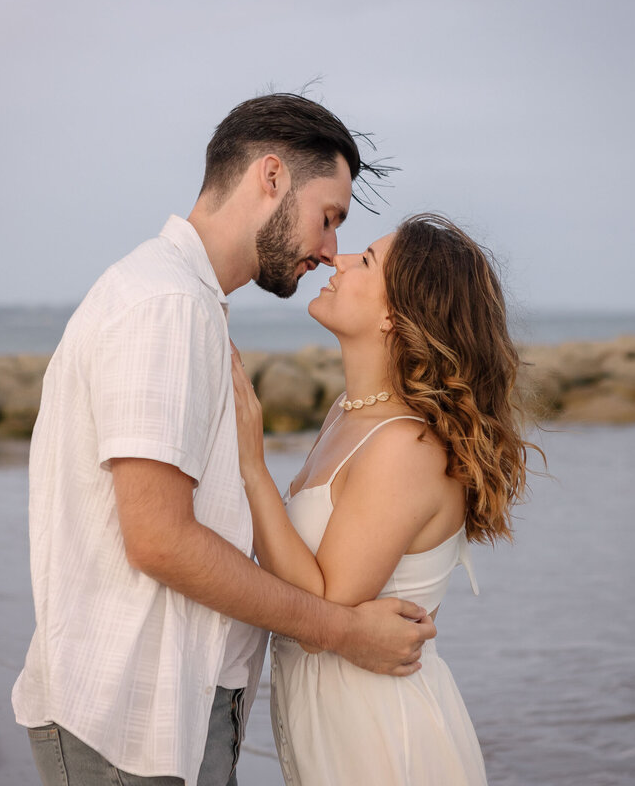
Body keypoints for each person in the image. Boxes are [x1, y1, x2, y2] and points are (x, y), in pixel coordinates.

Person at [11, 94, 436, 786]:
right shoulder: (167, 305)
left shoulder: (185, 301)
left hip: (170, 709)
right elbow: (159, 538)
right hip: (134, 722)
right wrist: (346, 632)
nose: (330, 250)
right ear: (270, 177)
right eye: (328, 217)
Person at [230, 213, 540, 785]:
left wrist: (251, 466)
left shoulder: (405, 445)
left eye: (365, 261)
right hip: (334, 725)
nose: (336, 260)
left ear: (395, 315)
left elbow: (321, 608)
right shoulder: (347, 415)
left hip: (384, 738)